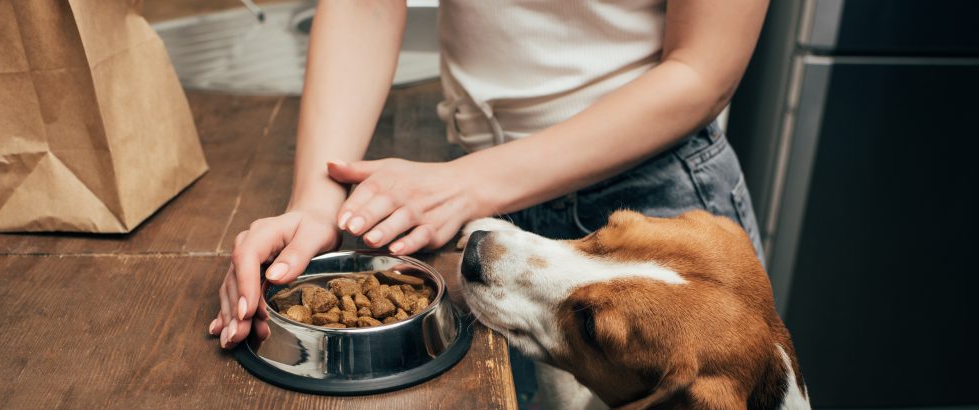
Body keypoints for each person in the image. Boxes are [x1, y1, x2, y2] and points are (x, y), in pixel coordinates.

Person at [210, 0, 769, 348]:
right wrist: (315, 202)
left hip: (645, 208)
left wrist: (466, 183)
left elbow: (703, 68)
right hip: (483, 208)